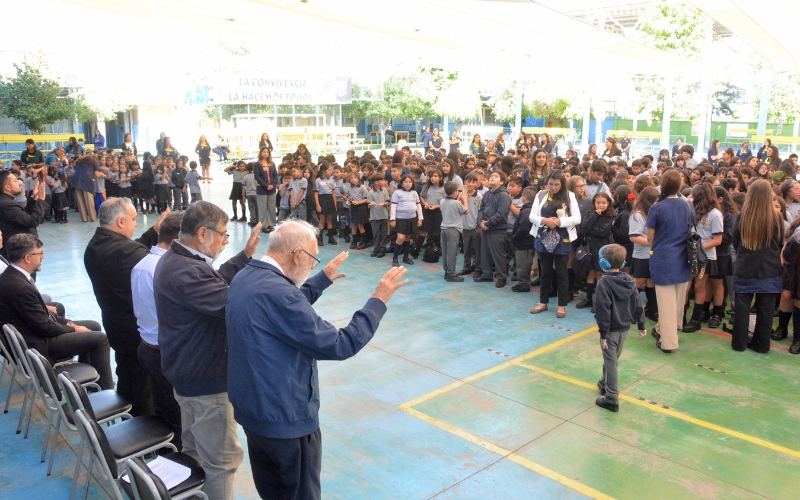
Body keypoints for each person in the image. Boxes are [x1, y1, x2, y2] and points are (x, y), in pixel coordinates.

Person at [225, 220, 407, 500]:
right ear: (296, 254)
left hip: (254, 412)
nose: (311, 265)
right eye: (311, 258)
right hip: (285, 418)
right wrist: (377, 301)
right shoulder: (279, 294)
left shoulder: (247, 276)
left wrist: (321, 279)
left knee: (273, 491)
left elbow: (283, 311)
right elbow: (339, 344)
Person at [154, 201, 260, 500]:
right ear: (203, 233)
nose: (226, 241)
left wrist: (245, 257)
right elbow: (236, 304)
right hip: (206, 383)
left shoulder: (178, 258)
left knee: (195, 452)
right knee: (221, 463)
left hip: (187, 375)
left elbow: (214, 282)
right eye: (224, 235)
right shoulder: (188, 271)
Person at [0, 233, 113, 389]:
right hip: (40, 345)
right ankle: (105, 390)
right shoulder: (19, 287)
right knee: (100, 339)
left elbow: (42, 317)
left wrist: (67, 323)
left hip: (35, 335)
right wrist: (72, 328)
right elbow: (44, 327)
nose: (43, 257)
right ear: (27, 258)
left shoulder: (13, 277)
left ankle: (90, 384)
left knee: (92, 326)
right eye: (40, 253)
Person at [84, 198, 163, 416]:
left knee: (128, 377)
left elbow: (130, 248)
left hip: (117, 326)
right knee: (142, 388)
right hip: (135, 333)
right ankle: (144, 434)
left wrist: (153, 233)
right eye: (133, 219)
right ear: (120, 221)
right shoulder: (124, 252)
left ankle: (130, 417)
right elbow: (146, 261)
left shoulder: (97, 244)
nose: (135, 223)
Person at [131, 213, 184, 449]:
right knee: (177, 418)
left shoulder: (142, 265)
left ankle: (164, 453)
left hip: (148, 347)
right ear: (180, 238)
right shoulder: (168, 269)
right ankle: (178, 465)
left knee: (162, 409)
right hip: (167, 354)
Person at [731, 180, 784, 353]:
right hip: (770, 270)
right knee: (766, 310)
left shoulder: (743, 217)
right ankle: (762, 345)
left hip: (745, 268)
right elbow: (781, 243)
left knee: (741, 309)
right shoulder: (776, 218)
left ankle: (739, 344)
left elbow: (736, 242)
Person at [593, 244, 647, 412]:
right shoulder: (630, 281)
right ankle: (604, 382)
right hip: (624, 330)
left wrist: (603, 334)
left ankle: (611, 398)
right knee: (612, 358)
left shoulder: (603, 283)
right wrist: (641, 324)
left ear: (604, 264)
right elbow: (638, 303)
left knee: (611, 362)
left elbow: (603, 311)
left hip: (610, 331)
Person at [646, 170, 694, 354]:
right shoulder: (688, 205)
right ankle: (666, 328)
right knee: (677, 299)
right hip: (684, 258)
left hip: (664, 257)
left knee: (665, 303)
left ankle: (668, 342)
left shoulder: (657, 208)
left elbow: (650, 237)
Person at [475, 171, 511, 288]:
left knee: (498, 255)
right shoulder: (487, 194)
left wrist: (489, 223)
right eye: (491, 176)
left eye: (496, 176)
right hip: (485, 228)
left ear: (501, 182)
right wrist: (480, 221)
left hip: (497, 230)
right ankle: (487, 274)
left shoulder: (504, 195)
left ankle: (501, 277)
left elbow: (502, 213)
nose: (492, 177)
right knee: (485, 253)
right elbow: (481, 209)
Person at [0, 169, 45, 259]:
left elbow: (21, 216)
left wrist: (33, 199)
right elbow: (32, 221)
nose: (20, 183)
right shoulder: (6, 204)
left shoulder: (6, 202)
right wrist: (41, 200)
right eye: (16, 181)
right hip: (19, 256)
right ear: (7, 187)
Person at [440, 181, 468, 282]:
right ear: (456, 191)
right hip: (453, 229)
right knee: (452, 252)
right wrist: (464, 200)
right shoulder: (457, 203)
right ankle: (451, 274)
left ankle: (447, 271)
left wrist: (458, 199)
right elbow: (466, 211)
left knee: (445, 251)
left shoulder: (442, 201)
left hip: (444, 228)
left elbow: (452, 206)